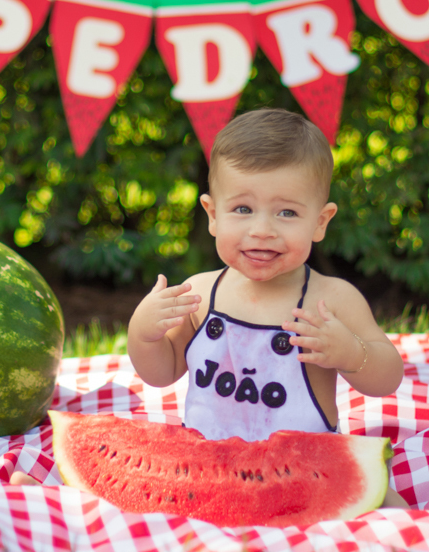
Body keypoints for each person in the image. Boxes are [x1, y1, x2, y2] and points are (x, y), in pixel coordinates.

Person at [125, 107, 407, 506]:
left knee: (387, 505)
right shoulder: (200, 294)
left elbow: (388, 377)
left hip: (306, 472)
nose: (262, 230)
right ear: (212, 215)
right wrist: (143, 333)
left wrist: (351, 353)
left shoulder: (331, 299)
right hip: (207, 468)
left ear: (320, 222)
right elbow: (160, 374)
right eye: (243, 209)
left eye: (287, 212)